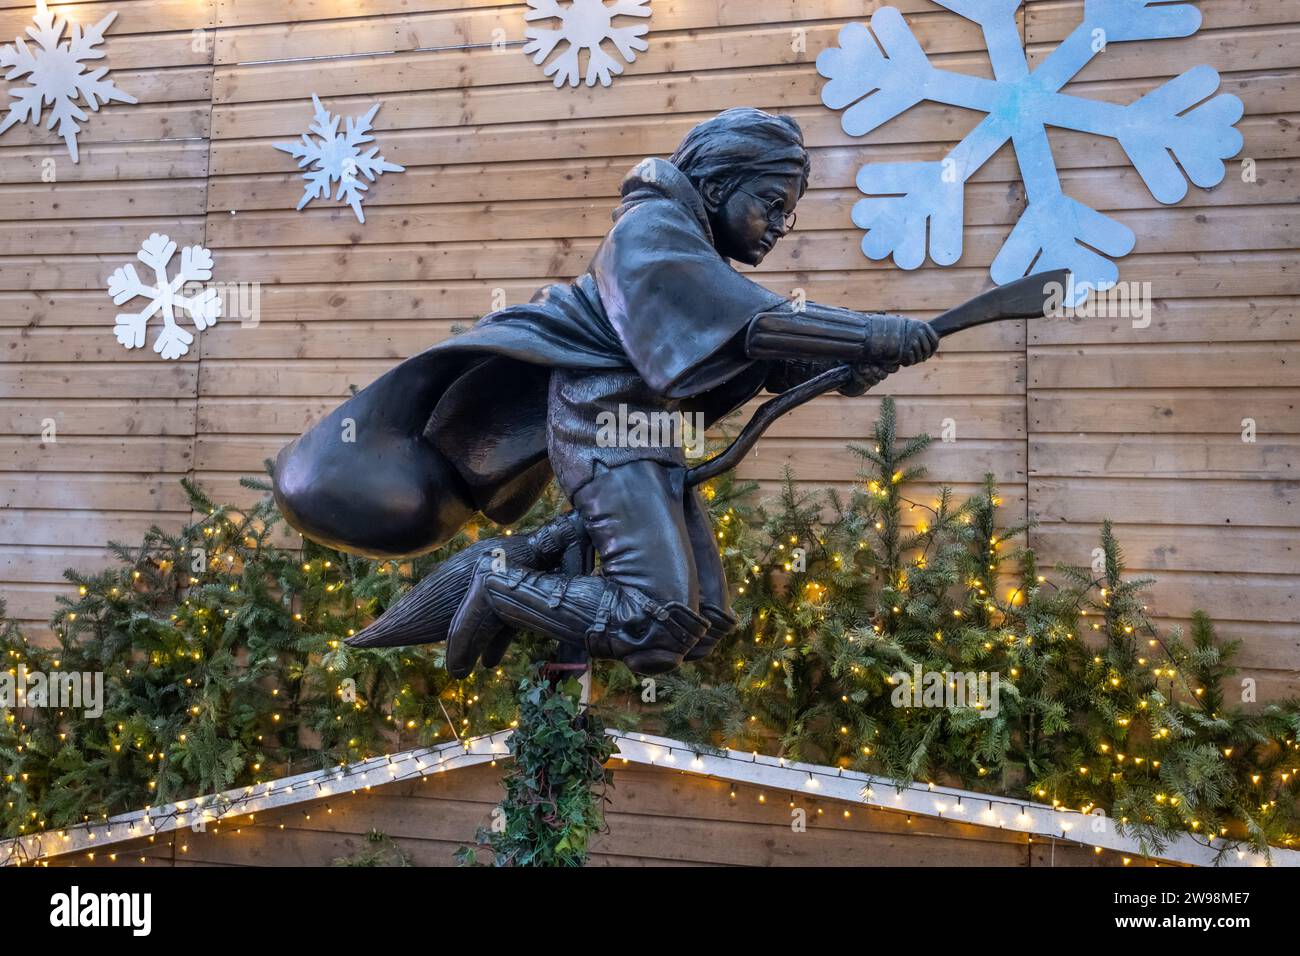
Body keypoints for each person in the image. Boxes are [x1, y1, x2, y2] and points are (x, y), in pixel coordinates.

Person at [273, 108, 938, 677]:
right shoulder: (651, 233)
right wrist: (870, 333)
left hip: (647, 443)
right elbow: (756, 322)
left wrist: (848, 366)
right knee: (653, 618)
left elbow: (745, 347)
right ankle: (499, 583)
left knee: (698, 618)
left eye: (788, 213)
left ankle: (526, 577)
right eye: (770, 204)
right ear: (715, 183)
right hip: (606, 436)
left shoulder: (693, 256)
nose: (780, 226)